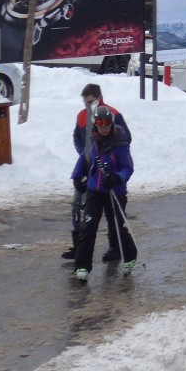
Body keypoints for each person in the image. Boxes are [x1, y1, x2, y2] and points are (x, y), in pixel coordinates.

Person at [63, 84, 131, 261]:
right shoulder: (82, 115)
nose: (88, 106)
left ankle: (115, 247)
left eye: (91, 102)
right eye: (85, 102)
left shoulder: (112, 114)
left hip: (108, 168)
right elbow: (77, 137)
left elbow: (125, 138)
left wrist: (110, 154)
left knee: (112, 213)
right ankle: (79, 246)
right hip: (90, 164)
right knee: (78, 205)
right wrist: (85, 155)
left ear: (99, 98)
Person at [72, 104, 138, 282]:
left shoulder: (120, 144)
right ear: (95, 125)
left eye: (107, 124)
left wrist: (118, 178)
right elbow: (84, 160)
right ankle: (82, 266)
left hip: (115, 192)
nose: (103, 128)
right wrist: (77, 177)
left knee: (117, 226)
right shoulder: (92, 142)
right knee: (88, 227)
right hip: (95, 191)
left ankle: (130, 256)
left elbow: (128, 168)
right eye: (100, 124)